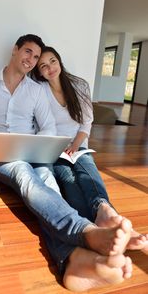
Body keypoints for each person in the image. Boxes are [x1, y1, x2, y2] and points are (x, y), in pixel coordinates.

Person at [0, 34, 133, 292]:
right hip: (0, 156)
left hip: (32, 152)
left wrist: (38, 145)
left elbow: (48, 127)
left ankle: (72, 261)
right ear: (15, 50)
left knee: (49, 185)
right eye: (28, 52)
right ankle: (85, 230)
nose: (31, 59)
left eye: (35, 57)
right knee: (24, 176)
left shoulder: (36, 89)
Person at [31, 45, 148, 253]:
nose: (50, 68)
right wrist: (60, 148)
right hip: (55, 149)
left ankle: (104, 210)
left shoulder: (79, 85)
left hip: (79, 145)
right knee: (69, 180)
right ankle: (112, 232)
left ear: (59, 61)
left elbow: (86, 123)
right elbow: (41, 125)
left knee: (86, 169)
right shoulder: (39, 91)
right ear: (39, 72)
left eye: (53, 61)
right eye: (43, 66)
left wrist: (75, 146)